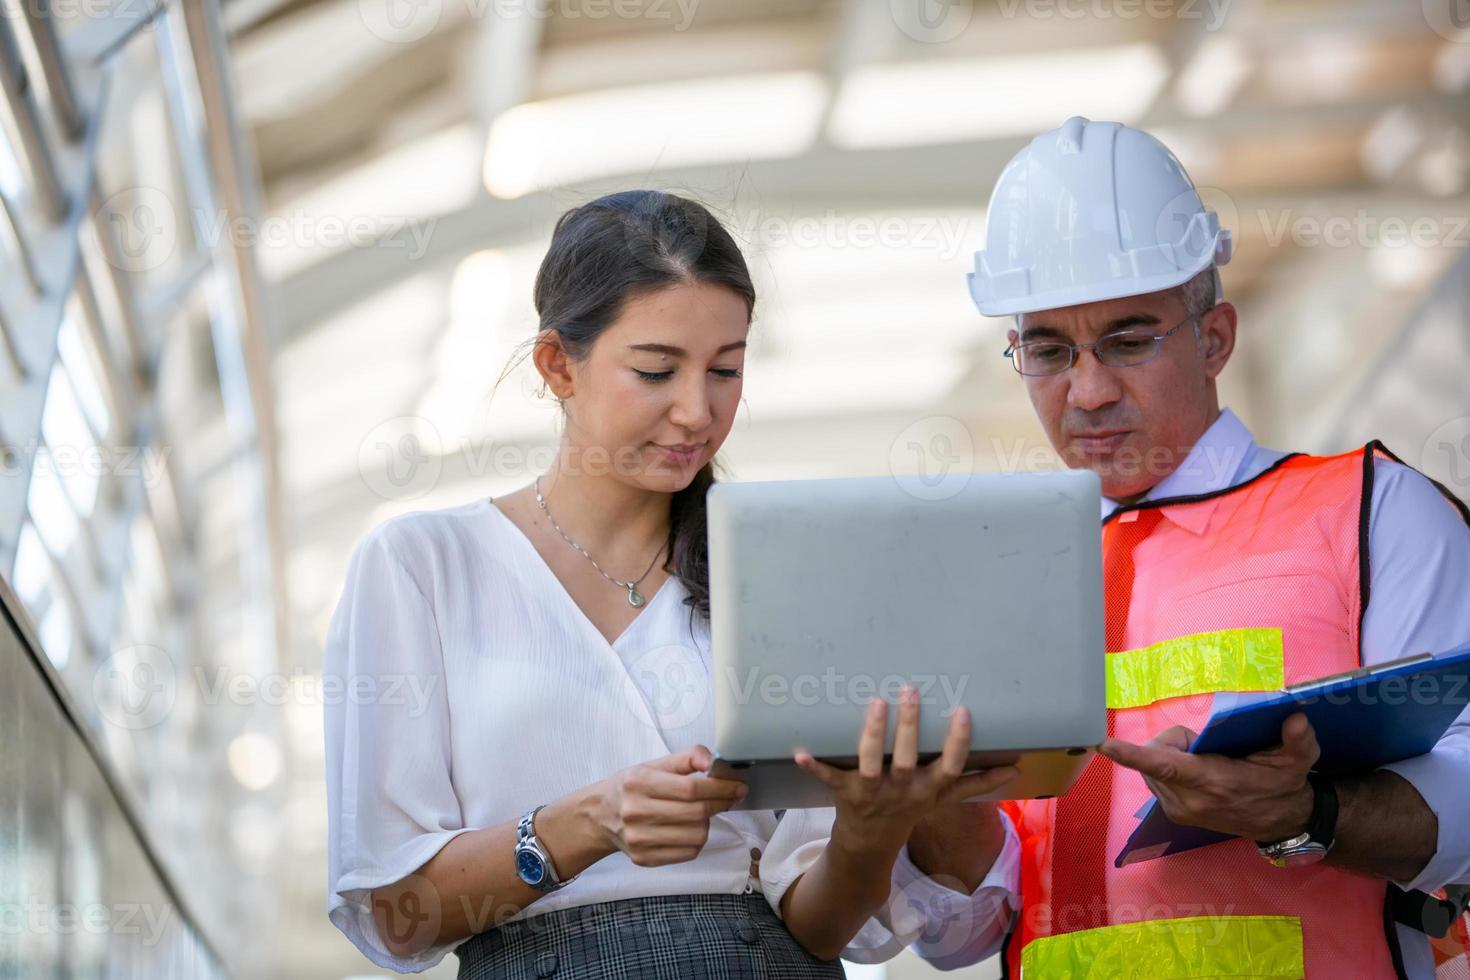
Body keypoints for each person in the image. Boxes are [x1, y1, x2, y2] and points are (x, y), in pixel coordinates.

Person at [323, 189, 1020, 978]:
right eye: (657, 371)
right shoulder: (422, 567)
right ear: (559, 364)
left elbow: (818, 929)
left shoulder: (777, 572)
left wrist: (868, 831)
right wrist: (585, 823)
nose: (697, 411)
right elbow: (397, 915)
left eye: (726, 370)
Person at [908, 116, 1470, 977]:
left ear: (1214, 339)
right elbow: (966, 934)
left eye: (1129, 340)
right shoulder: (1001, 581)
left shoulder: (1371, 509)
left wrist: (1307, 814)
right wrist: (916, 803)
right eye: (1050, 350)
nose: (1088, 391)